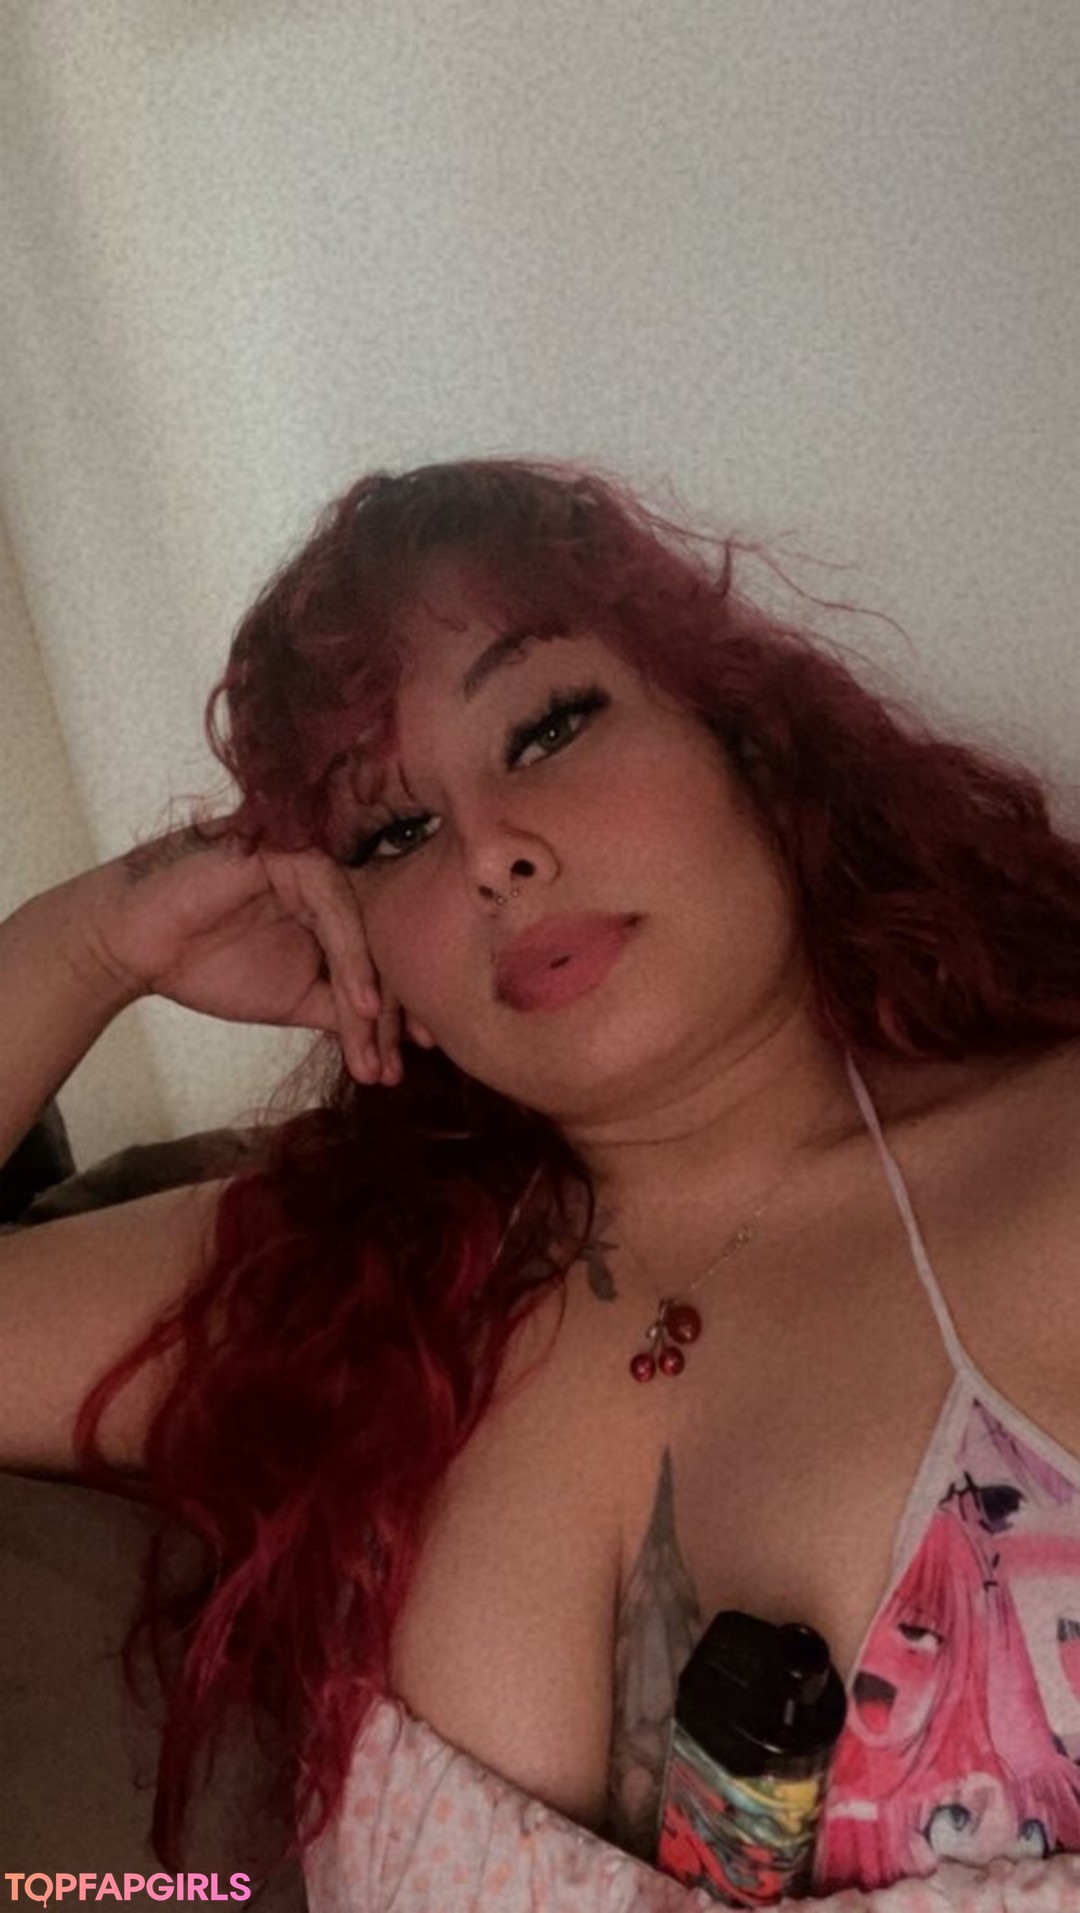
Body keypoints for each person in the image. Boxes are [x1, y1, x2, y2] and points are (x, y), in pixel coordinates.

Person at [2, 458, 1080, 1911]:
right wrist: (96, 943)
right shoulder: (330, 1287)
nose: (493, 854)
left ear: (747, 740)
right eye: (391, 834)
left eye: (548, 727)